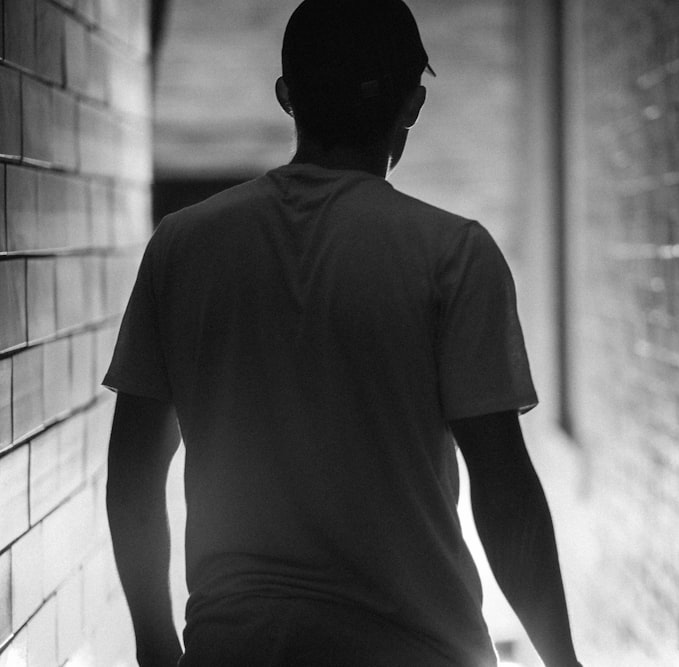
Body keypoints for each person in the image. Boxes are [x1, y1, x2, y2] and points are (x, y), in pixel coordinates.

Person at [103, 1, 582, 665]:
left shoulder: (184, 246)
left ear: (286, 96)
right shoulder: (453, 255)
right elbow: (504, 493)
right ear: (411, 104)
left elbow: (132, 470)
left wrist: (154, 644)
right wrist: (564, 660)